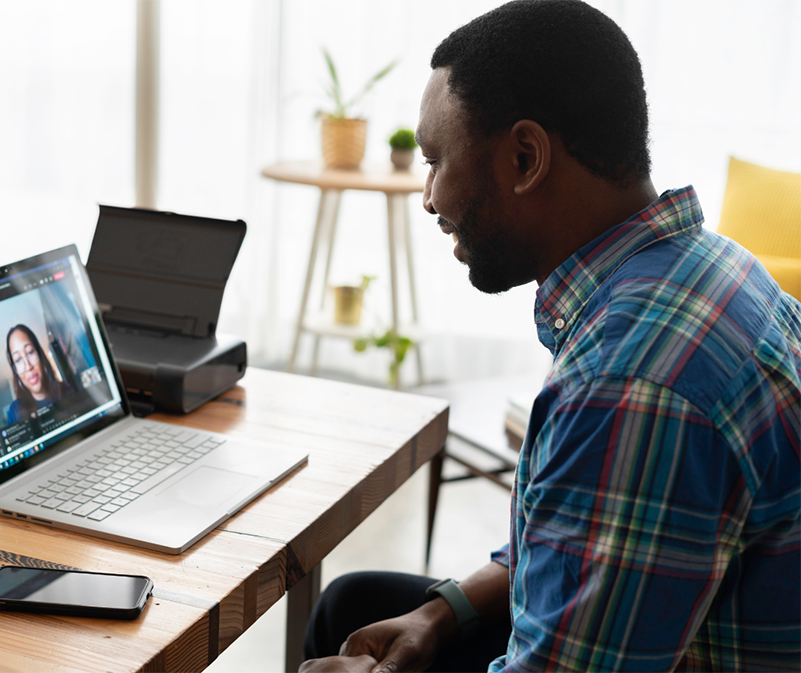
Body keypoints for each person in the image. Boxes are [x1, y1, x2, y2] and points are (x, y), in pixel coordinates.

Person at [300, 1, 801, 672]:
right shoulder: (707, 268)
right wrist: (440, 612)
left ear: (526, 157)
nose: (427, 196)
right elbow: (581, 540)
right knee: (353, 605)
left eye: (436, 160)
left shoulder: (631, 383)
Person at [5, 324, 66, 424]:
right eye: (18, 359)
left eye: (30, 352)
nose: (28, 366)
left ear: (40, 354)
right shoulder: (15, 412)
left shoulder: (67, 389)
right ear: (15, 370)